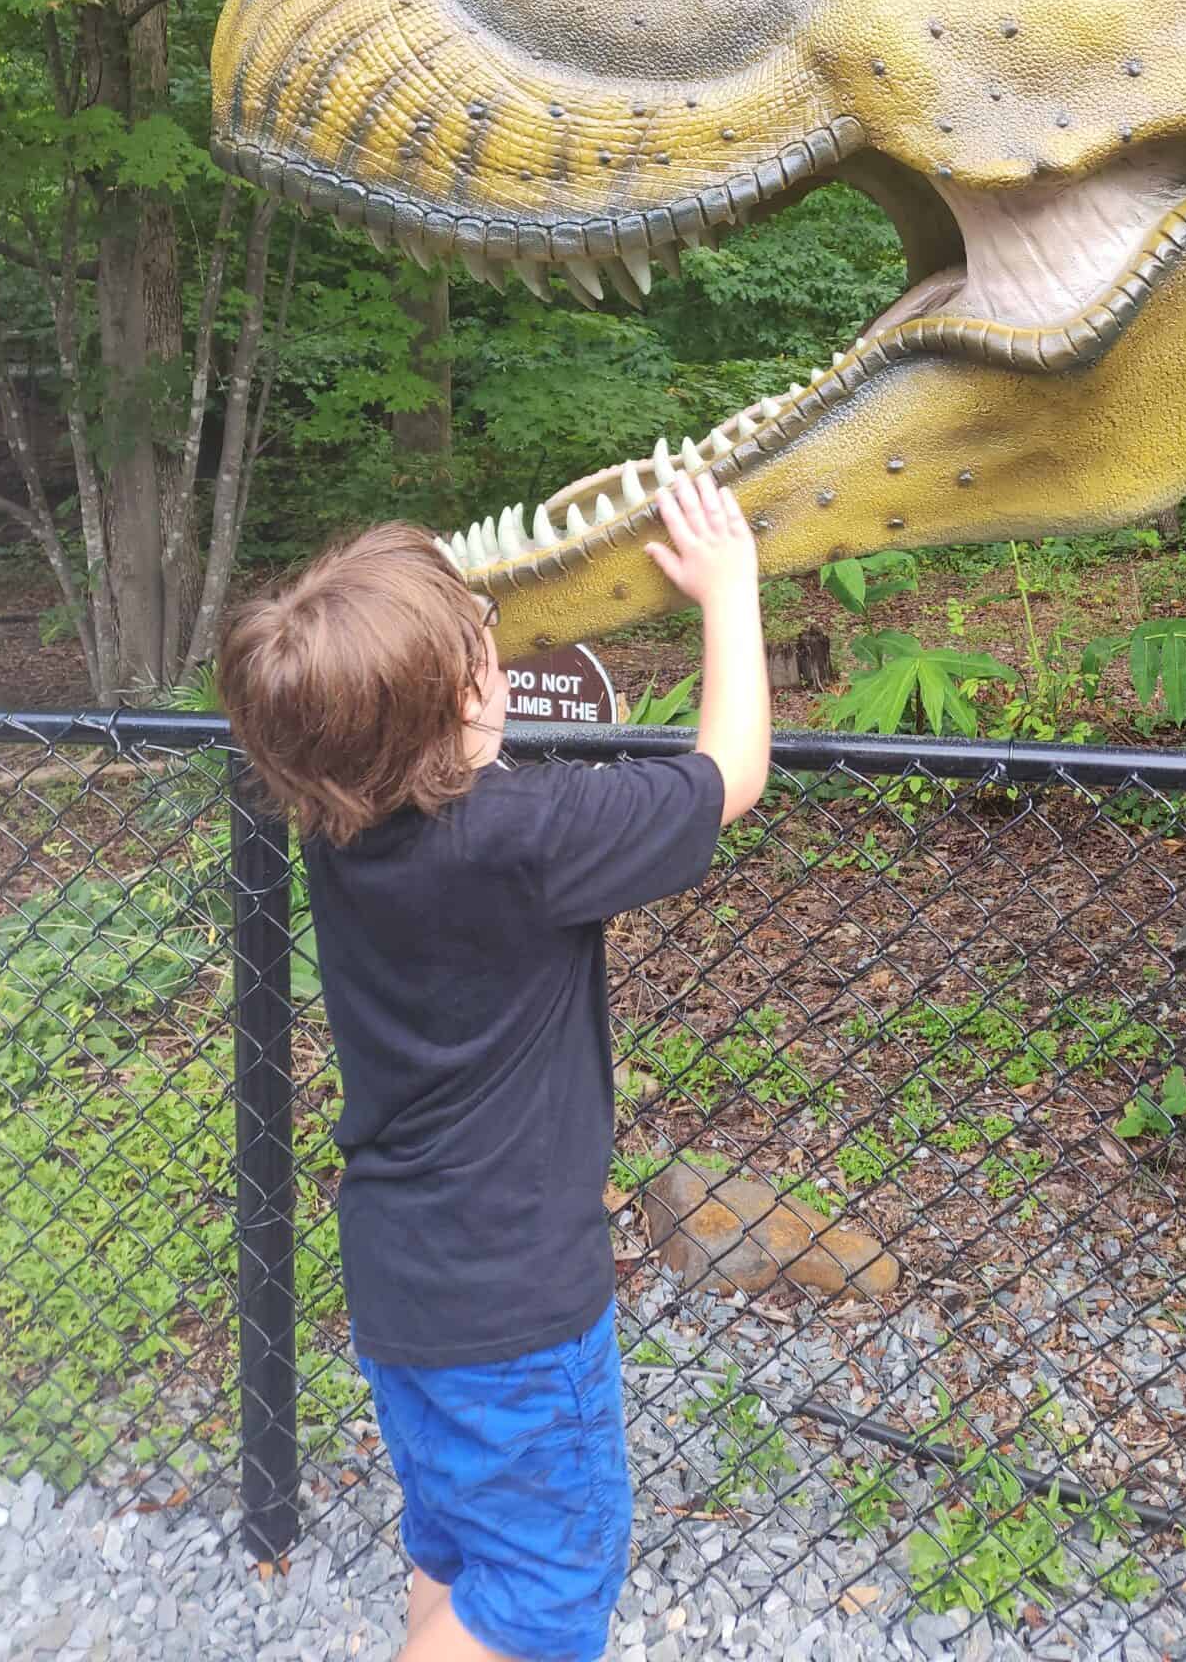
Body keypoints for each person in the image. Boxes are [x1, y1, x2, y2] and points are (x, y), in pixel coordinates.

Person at [219, 470, 770, 1662]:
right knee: (541, 1584)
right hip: (513, 1304)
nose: (500, 653)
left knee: (453, 1546)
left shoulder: (340, 822)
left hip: (403, 1279)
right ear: (453, 717)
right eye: (483, 653)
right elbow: (732, 773)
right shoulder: (523, 839)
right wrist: (730, 592)